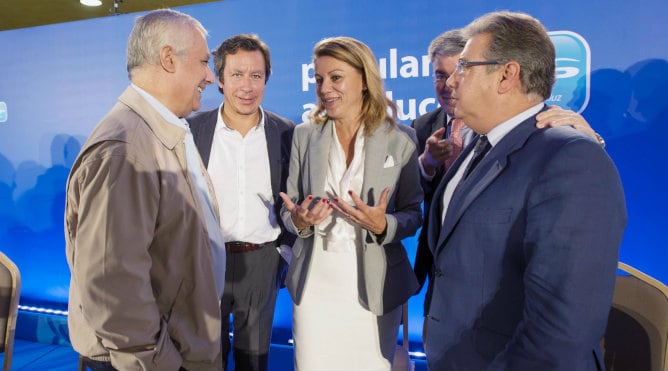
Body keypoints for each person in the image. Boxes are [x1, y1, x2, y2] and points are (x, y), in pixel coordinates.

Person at [424, 11, 627, 371]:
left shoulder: (571, 158)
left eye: (465, 66)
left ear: (507, 75)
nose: (451, 80)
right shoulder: (477, 144)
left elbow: (561, 329)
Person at [64, 9, 225, 371]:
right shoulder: (126, 149)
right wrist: (161, 362)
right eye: (203, 62)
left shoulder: (161, 131)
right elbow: (112, 284)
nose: (210, 77)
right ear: (168, 59)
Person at [278, 36, 423, 371]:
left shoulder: (401, 139)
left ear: (363, 80)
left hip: (373, 285)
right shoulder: (304, 135)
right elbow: (289, 210)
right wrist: (299, 221)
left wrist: (384, 225)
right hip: (315, 283)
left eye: (336, 77)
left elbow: (414, 213)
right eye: (319, 80)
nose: (325, 88)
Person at [187, 34, 295, 371]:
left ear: (266, 79)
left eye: (256, 76)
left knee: (255, 360)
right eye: (236, 75)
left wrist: (283, 255)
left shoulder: (286, 132)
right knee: (206, 357)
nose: (247, 86)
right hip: (205, 260)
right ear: (219, 80)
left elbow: (294, 198)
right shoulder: (191, 131)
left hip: (262, 261)